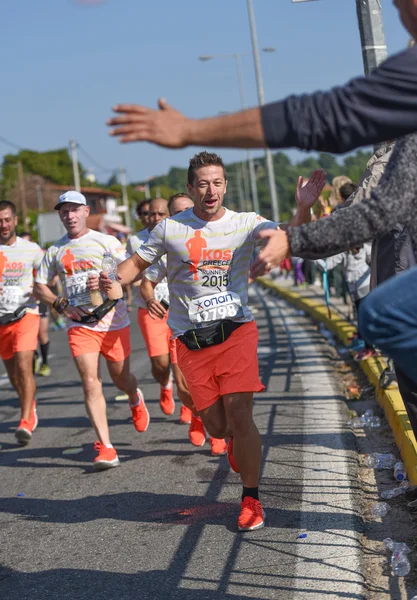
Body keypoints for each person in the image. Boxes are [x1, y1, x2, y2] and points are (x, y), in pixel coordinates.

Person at [96, 153, 325, 530]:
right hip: (190, 340)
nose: (210, 190)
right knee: (218, 428)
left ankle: (251, 498)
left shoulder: (245, 223)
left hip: (235, 330)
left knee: (241, 414)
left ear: (225, 186)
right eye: (202, 183)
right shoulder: (170, 229)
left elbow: (287, 237)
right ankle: (234, 442)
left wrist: (302, 209)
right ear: (190, 188)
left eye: (217, 182)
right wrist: (113, 281)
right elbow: (134, 268)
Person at [34, 191, 149, 470]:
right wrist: (62, 305)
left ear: (86, 211)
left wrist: (106, 282)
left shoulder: (107, 242)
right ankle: (106, 447)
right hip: (80, 324)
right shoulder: (56, 250)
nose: (69, 216)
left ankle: (135, 396)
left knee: (121, 378)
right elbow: (39, 286)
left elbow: (124, 276)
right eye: (64, 212)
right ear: (60, 215)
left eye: (74, 210)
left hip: (113, 322)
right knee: (90, 382)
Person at [141, 192, 228, 456]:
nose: (183, 216)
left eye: (186, 210)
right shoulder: (167, 247)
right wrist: (148, 297)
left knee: (217, 382)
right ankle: (200, 415)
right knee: (184, 386)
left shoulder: (216, 237)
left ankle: (219, 431)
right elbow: (146, 280)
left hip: (214, 321)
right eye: (177, 212)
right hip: (179, 323)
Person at [126, 198, 175, 417]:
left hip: (180, 308)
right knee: (160, 362)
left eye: (160, 214)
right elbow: (130, 271)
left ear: (169, 215)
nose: (154, 218)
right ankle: (166, 386)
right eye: (150, 214)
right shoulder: (135, 240)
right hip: (150, 309)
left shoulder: (179, 235)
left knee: (184, 363)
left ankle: (193, 413)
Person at [0, 202, 44, 445]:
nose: (3, 225)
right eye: (0, 221)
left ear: (15, 220)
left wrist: (41, 288)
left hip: (25, 314)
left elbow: (49, 270)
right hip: (1, 321)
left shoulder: (30, 249)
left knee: (25, 366)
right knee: (14, 375)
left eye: (7, 219)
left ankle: (25, 419)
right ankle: (30, 404)